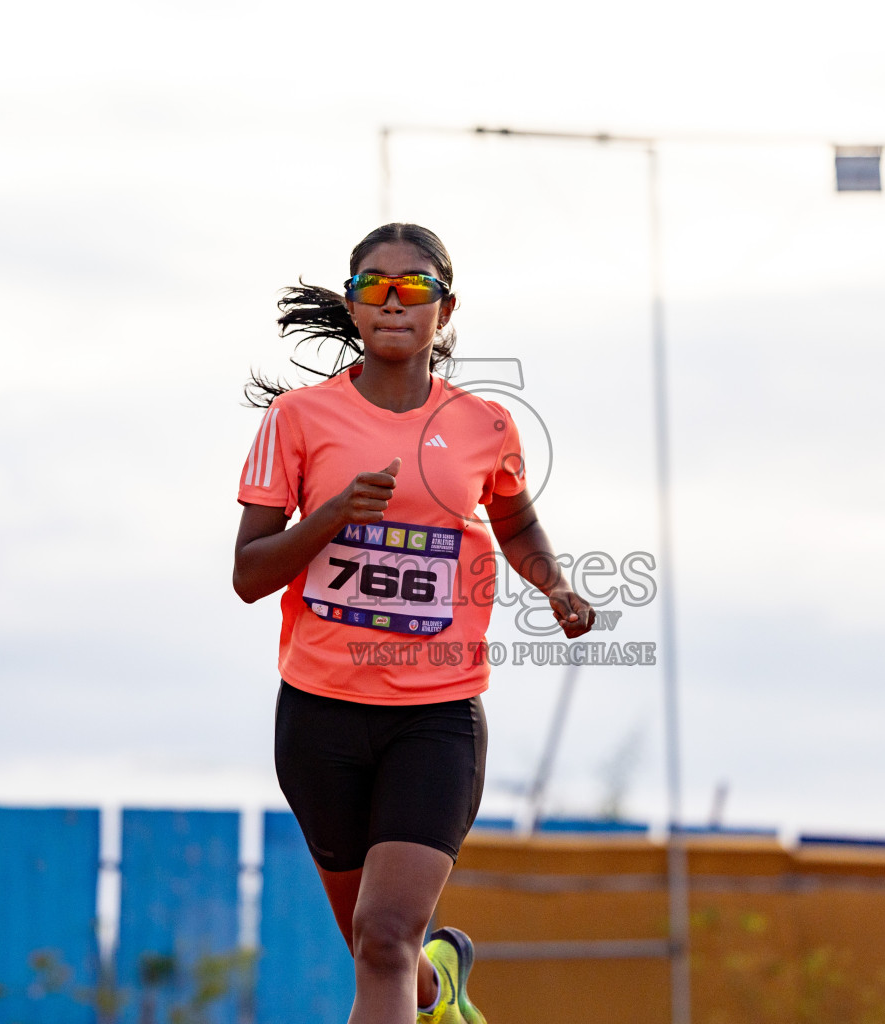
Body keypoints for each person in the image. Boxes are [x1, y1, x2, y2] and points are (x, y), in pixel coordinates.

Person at [232, 223, 596, 1024]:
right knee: (379, 951)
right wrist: (330, 515)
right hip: (321, 714)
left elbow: (516, 524)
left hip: (436, 718)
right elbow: (249, 576)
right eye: (373, 285)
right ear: (354, 305)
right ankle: (443, 993)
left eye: (415, 285)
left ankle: (424, 979)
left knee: (387, 935)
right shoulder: (298, 421)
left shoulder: (485, 426)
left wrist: (555, 585)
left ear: (446, 307)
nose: (394, 299)